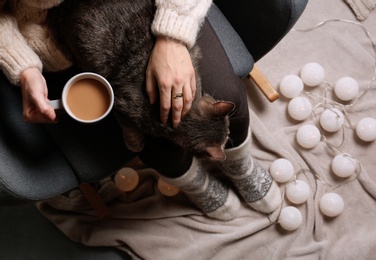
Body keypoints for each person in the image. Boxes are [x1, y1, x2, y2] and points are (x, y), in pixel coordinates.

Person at [0, 0, 282, 220]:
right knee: (155, 143)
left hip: (153, 11)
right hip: (61, 30)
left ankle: (240, 165)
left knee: (228, 93)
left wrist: (172, 36)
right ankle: (196, 184)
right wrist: (24, 67)